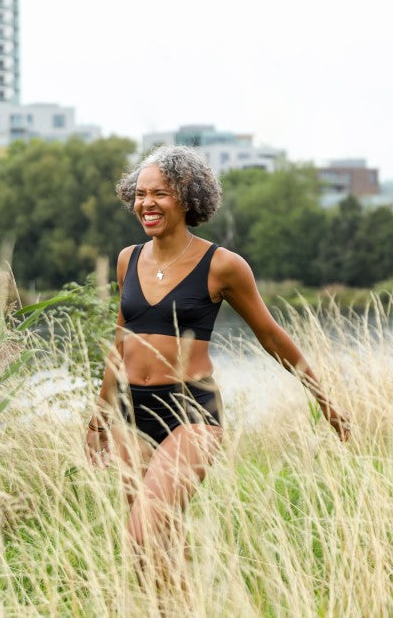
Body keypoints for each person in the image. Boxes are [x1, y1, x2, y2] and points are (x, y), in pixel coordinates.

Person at [84, 145, 351, 589]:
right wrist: (99, 416)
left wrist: (324, 400)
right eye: (140, 193)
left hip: (190, 411)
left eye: (161, 194)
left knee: (141, 535)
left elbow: (269, 335)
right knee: (159, 546)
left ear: (187, 199)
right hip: (132, 412)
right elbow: (121, 340)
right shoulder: (128, 259)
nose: (146, 203)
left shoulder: (223, 265)